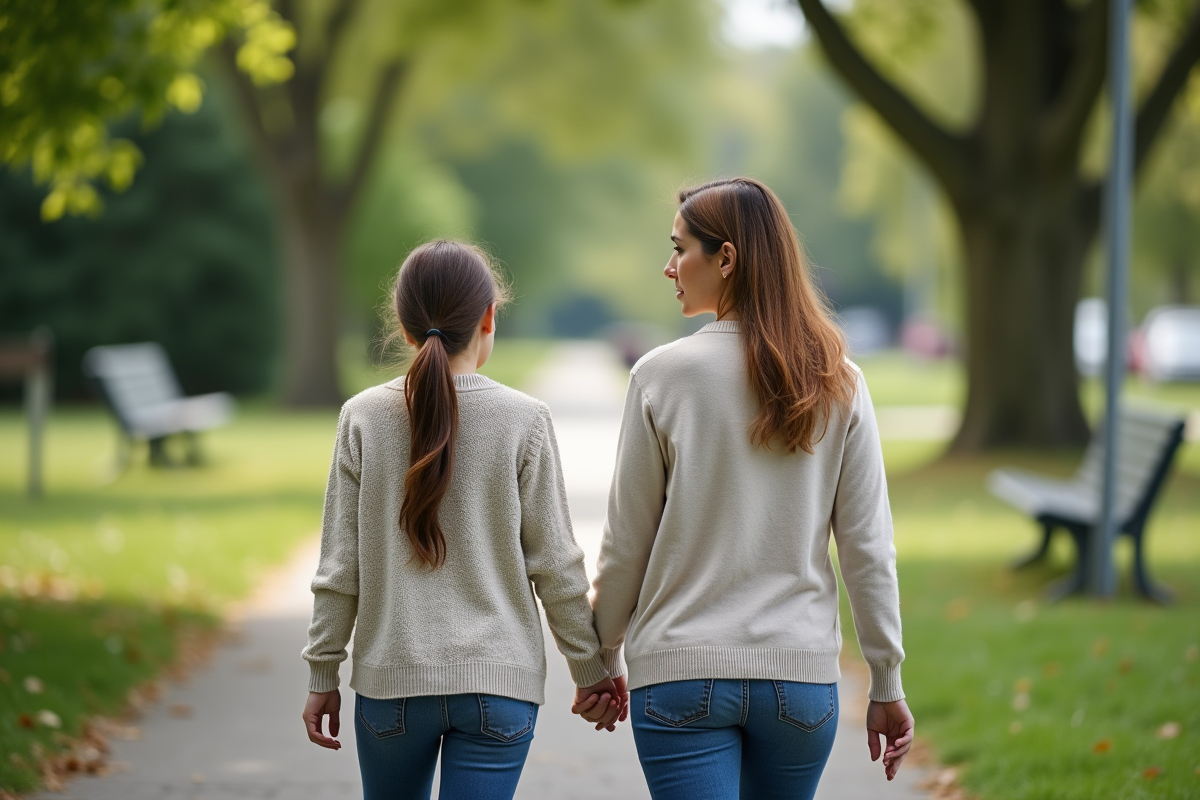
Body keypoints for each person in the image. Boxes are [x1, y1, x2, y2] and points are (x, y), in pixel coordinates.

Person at [583, 178, 914, 799]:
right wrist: (886, 682)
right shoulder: (838, 379)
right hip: (800, 685)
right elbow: (868, 549)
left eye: (680, 249)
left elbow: (627, 542)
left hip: (680, 676)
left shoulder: (660, 377)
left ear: (726, 258)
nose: (669, 266)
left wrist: (600, 659)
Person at [300, 240, 622, 800]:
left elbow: (338, 568)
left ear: (403, 328)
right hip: (498, 689)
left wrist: (323, 673)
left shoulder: (363, 418)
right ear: (489, 317)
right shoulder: (525, 419)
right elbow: (555, 565)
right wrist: (591, 670)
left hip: (391, 688)